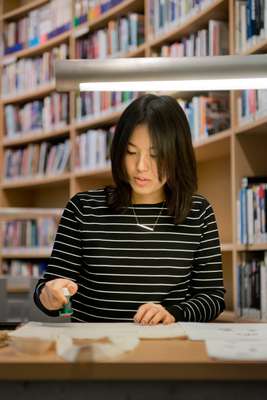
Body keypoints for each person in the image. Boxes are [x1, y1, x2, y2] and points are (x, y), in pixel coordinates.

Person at [34, 94, 225, 324]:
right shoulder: (83, 209)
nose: (141, 166)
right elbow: (47, 292)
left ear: (177, 155)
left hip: (163, 347)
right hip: (94, 351)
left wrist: (174, 313)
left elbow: (212, 297)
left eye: (156, 155)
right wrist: (49, 296)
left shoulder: (198, 212)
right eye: (131, 152)